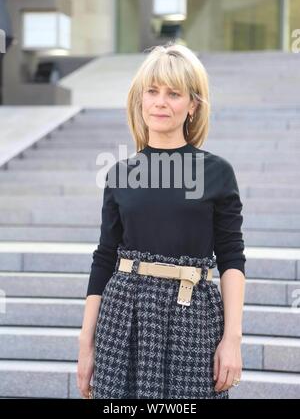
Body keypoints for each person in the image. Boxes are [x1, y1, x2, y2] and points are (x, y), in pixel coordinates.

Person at [77, 42, 246, 399]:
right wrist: (85, 342)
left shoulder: (216, 172)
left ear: (192, 106)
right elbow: (105, 256)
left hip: (194, 316)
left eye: (173, 94)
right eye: (152, 91)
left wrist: (232, 339)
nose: (160, 102)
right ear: (140, 100)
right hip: (123, 315)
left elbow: (231, 258)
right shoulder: (120, 174)